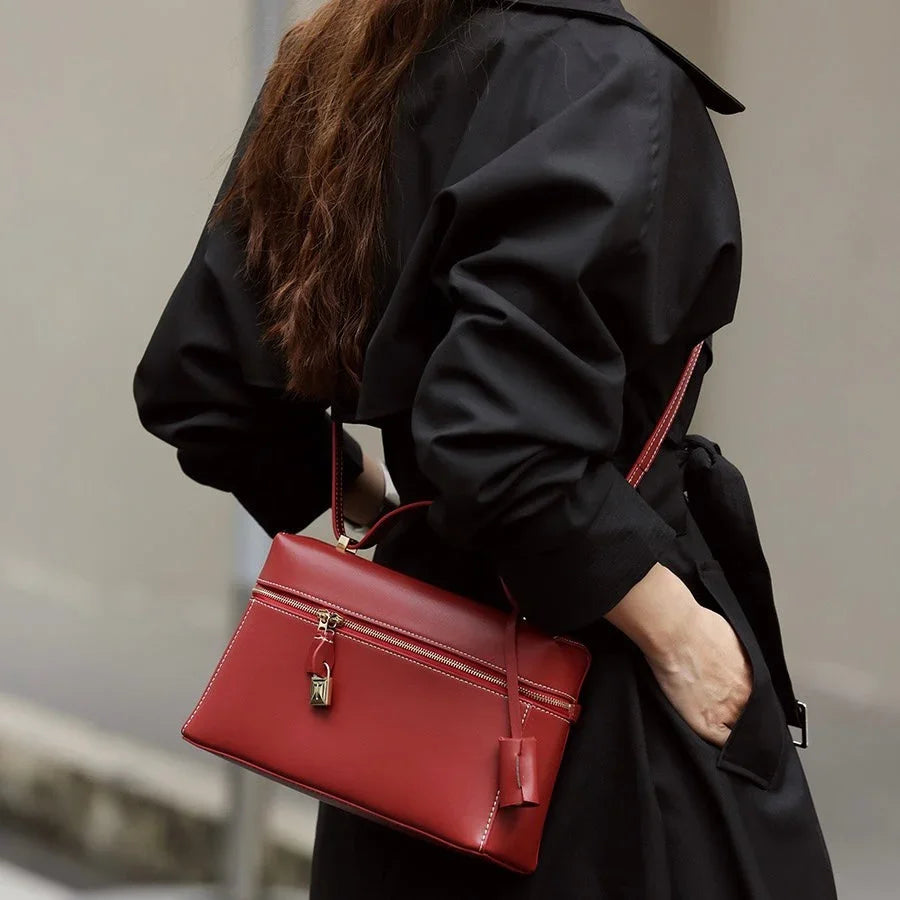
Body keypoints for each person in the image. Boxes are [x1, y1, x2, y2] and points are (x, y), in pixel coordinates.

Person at [133, 1, 837, 896]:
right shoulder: (609, 81)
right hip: (591, 707)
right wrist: (681, 633)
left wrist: (371, 496)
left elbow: (199, 383)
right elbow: (502, 448)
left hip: (404, 707)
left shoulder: (344, 60)